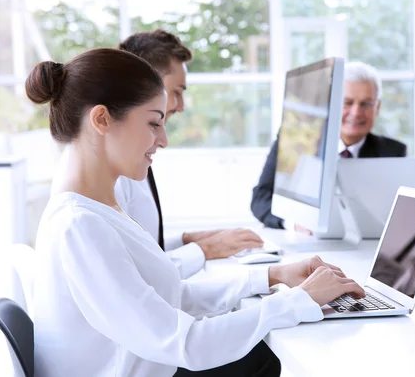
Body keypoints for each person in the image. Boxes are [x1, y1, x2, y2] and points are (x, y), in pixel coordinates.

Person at [31, 48, 365, 377]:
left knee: (261, 354)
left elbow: (171, 298)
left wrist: (272, 277)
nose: (163, 139)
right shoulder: (79, 226)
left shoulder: (100, 210)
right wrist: (299, 300)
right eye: (153, 123)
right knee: (269, 357)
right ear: (102, 119)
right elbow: (184, 343)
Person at [114, 30, 263, 279]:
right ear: (148, 84)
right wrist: (206, 249)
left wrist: (186, 240)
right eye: (177, 91)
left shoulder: (133, 157)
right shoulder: (115, 173)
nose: (180, 106)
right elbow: (143, 276)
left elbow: (144, 249)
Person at [251, 61, 407, 230]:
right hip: (306, 239)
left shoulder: (393, 151)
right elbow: (261, 197)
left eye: (366, 104)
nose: (356, 113)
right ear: (331, 105)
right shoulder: (297, 141)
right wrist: (292, 223)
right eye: (347, 102)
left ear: (377, 108)